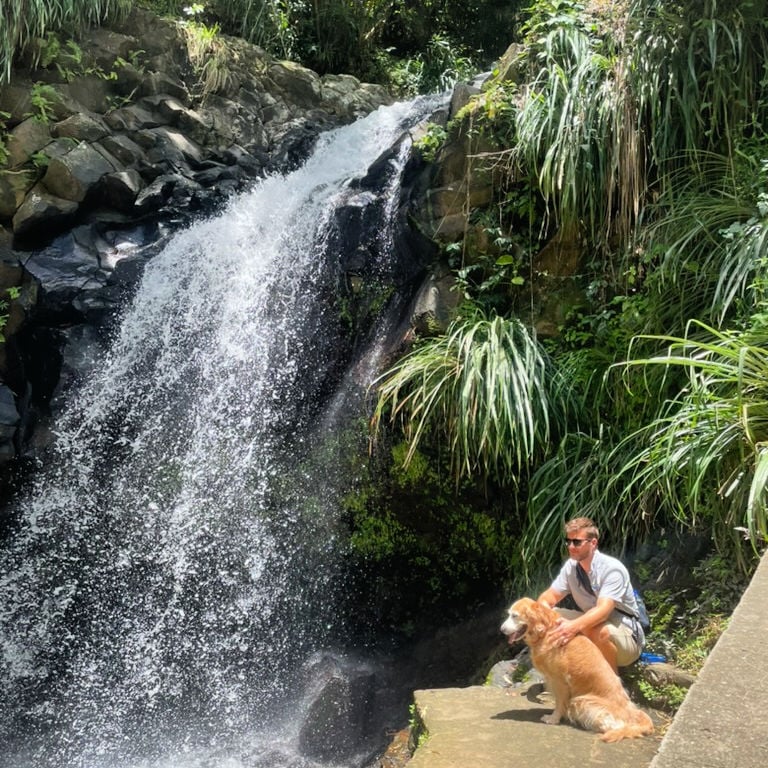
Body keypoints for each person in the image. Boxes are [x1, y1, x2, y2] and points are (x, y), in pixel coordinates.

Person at [537, 516, 644, 673]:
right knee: (547, 617)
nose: (571, 546)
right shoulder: (571, 568)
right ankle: (562, 676)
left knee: (596, 630)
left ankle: (611, 685)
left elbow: (603, 611)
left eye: (577, 542)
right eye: (568, 541)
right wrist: (544, 613)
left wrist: (572, 627)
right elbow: (548, 598)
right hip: (593, 625)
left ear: (593, 543)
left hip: (627, 636)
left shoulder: (612, 569)